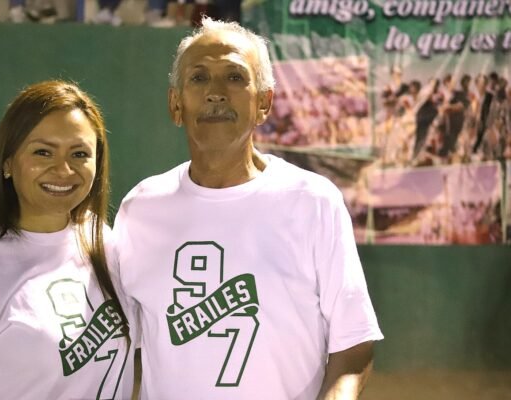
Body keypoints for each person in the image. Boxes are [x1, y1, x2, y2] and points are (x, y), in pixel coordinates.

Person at [112, 18, 383, 399]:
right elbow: (121, 349)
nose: (215, 93)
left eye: (235, 77)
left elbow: (353, 345)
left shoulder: (313, 201)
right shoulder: (140, 209)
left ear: (264, 103)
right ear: (175, 104)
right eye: (199, 78)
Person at [0, 80, 134, 399]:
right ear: (8, 162)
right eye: (43, 152)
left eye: (79, 154)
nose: (64, 169)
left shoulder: (100, 238)